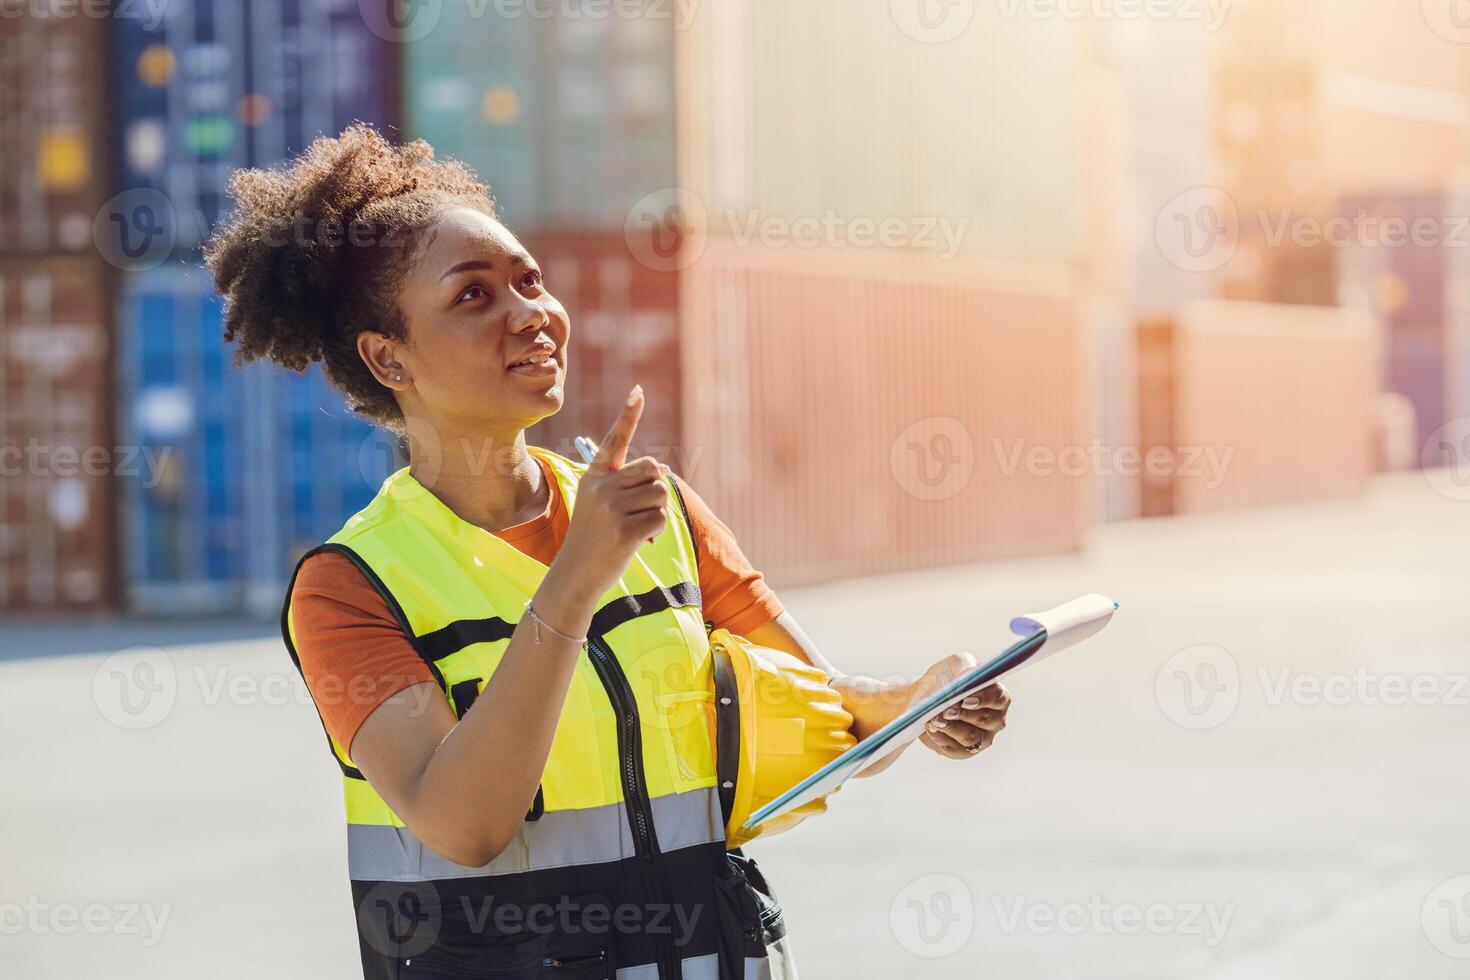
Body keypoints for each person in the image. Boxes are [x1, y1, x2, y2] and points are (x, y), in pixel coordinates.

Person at [204, 124, 1012, 980]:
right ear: (388, 357)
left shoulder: (656, 511)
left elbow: (823, 711)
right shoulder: (349, 586)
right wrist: (577, 576)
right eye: (473, 297)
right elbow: (463, 823)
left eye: (529, 280)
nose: (531, 313)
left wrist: (921, 702)